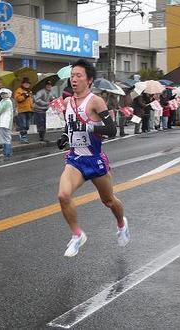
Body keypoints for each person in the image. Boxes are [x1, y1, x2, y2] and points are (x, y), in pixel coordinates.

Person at [55, 59, 129, 257]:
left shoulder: (95, 101)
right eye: (72, 76)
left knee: (109, 201)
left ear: (89, 80)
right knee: (63, 195)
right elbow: (70, 124)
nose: (74, 79)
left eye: (79, 76)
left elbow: (112, 130)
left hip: (94, 160)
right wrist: (64, 136)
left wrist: (88, 127)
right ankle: (77, 235)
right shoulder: (68, 101)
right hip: (75, 159)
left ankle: (122, 224)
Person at [14, 77, 34, 143]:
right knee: (23, 125)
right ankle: (23, 138)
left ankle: (23, 136)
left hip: (29, 110)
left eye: (28, 83)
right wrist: (25, 96)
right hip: (22, 110)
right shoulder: (19, 90)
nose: (27, 84)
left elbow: (31, 100)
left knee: (27, 125)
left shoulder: (29, 91)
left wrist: (32, 107)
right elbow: (18, 99)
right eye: (25, 83)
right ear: (22, 84)